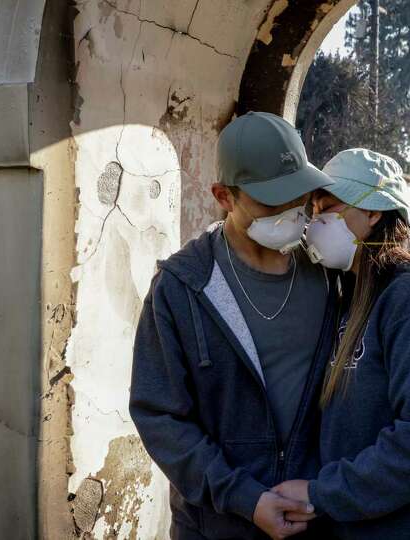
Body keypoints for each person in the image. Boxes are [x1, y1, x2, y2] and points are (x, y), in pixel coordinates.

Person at [129, 111, 343, 539]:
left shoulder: (330, 274)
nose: (288, 212)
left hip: (315, 521)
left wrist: (331, 488)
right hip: (216, 526)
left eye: (296, 197)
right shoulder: (182, 286)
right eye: (270, 201)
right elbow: (159, 415)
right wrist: (246, 499)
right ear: (224, 196)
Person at [272, 148, 410, 539]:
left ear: (373, 212)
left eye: (329, 209)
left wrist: (324, 494)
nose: (315, 223)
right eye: (314, 211)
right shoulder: (350, 294)